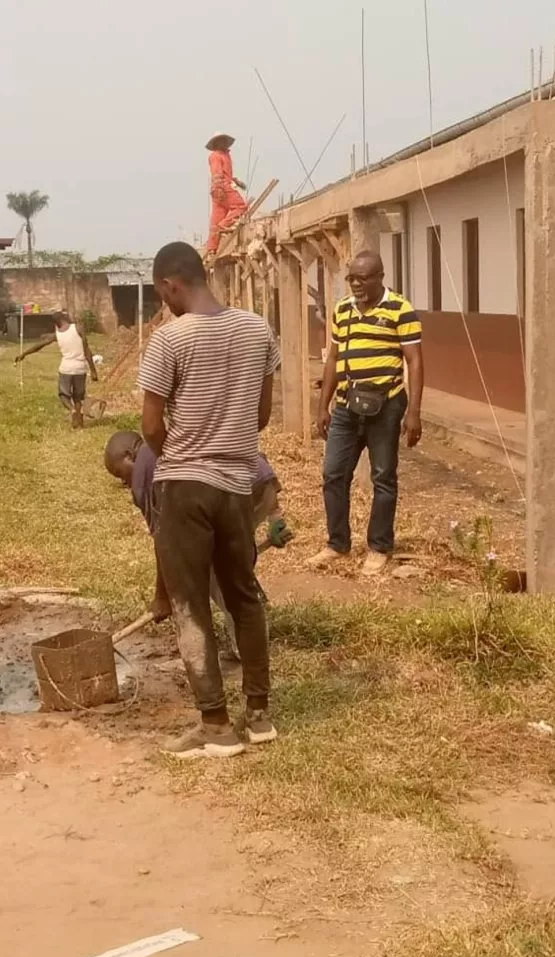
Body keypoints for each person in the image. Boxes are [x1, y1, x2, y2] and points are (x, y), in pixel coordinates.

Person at [138, 241, 280, 759]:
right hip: (239, 486)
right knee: (243, 594)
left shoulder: (169, 340)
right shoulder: (257, 329)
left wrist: (178, 452)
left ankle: (216, 724)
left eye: (163, 294)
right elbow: (262, 415)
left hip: (187, 485)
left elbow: (152, 426)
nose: (165, 303)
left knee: (191, 603)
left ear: (171, 284)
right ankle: (259, 715)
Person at [104, 430, 289, 656]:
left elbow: (164, 541)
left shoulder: (144, 469)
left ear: (129, 454)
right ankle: (253, 612)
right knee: (226, 560)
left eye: (119, 472)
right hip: (253, 485)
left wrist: (162, 597)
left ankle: (248, 645)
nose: (123, 481)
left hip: (233, 494)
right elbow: (257, 466)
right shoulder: (167, 442)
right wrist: (274, 514)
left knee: (215, 570)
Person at [309, 250, 424, 576]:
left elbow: (414, 360)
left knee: (383, 477)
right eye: (351, 278)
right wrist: (324, 406)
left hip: (386, 404)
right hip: (347, 405)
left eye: (363, 278)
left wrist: (413, 412)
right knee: (333, 474)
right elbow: (333, 359)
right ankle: (337, 543)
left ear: (379, 277)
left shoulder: (400, 309)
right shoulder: (342, 310)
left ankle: (379, 547)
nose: (356, 284)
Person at [15, 309, 98, 427]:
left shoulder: (57, 335)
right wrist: (93, 371)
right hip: (80, 368)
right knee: (78, 397)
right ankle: (79, 422)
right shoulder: (78, 328)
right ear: (64, 319)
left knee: (64, 395)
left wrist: (24, 354)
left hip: (66, 368)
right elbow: (87, 351)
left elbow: (39, 346)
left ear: (56, 324)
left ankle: (72, 410)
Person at [205, 132, 248, 256]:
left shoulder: (225, 155)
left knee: (216, 219)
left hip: (220, 187)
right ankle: (223, 226)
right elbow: (217, 174)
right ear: (216, 143)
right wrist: (220, 188)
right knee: (241, 206)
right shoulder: (216, 156)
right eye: (221, 141)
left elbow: (226, 174)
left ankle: (212, 248)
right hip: (222, 187)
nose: (223, 143)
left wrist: (236, 181)